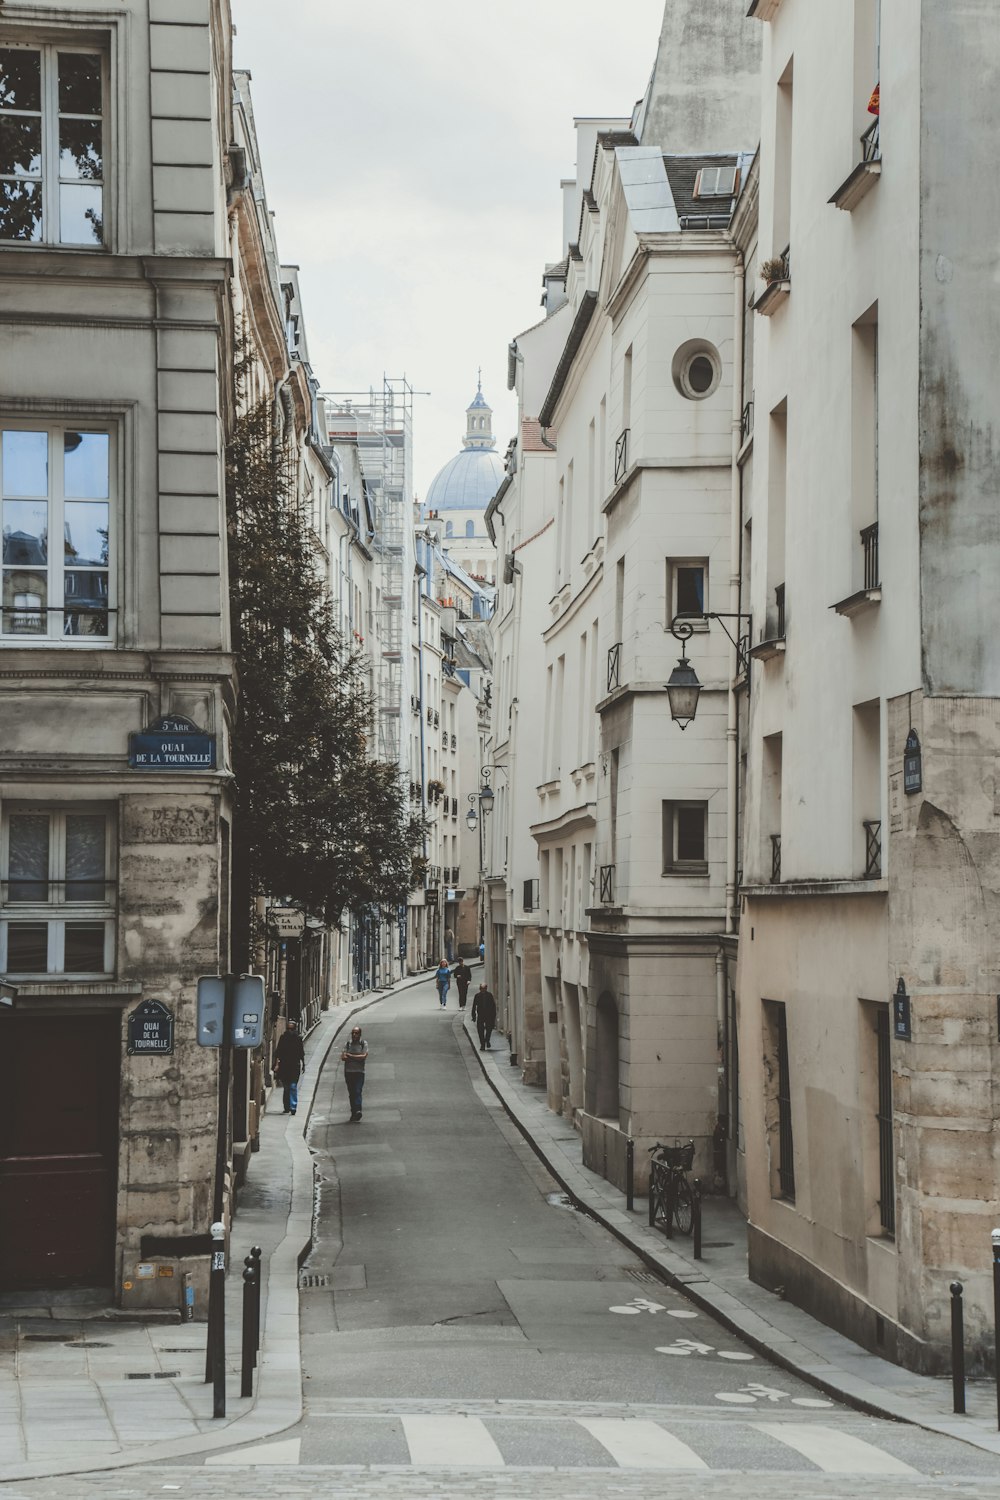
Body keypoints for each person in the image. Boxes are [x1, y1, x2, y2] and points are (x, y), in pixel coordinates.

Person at [273, 1019, 305, 1115]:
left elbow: (301, 1053)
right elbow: (278, 1052)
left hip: (294, 1066)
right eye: (288, 1029)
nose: (289, 1031)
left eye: (291, 1029)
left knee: (293, 1086)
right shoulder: (283, 1038)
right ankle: (287, 1107)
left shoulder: (298, 1039)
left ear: (295, 1029)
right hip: (284, 1066)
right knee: (286, 1087)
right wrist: (277, 1064)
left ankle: (293, 1107)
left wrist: (304, 1064)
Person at [340, 1025, 368, 1123]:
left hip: (359, 1072)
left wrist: (350, 1056)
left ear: (360, 1034)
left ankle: (358, 1110)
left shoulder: (363, 1044)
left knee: (357, 1090)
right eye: (353, 1033)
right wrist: (357, 1057)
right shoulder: (347, 1044)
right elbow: (343, 1057)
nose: (354, 1035)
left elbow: (363, 1057)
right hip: (349, 1072)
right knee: (351, 1093)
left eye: (356, 1033)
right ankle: (353, 1112)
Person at [471, 982, 497, 1051]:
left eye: (484, 988)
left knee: (489, 1029)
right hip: (481, 1015)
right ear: (480, 989)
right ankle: (482, 1044)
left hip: (489, 1015)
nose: (483, 990)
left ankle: (487, 1040)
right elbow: (474, 1006)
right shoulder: (477, 996)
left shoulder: (489, 995)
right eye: (482, 989)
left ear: (486, 988)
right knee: (480, 1030)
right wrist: (473, 1016)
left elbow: (493, 1006)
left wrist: (493, 1015)